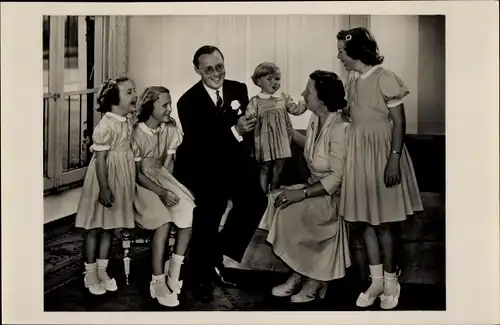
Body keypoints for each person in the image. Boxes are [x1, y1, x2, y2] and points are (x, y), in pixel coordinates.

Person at [336, 27, 424, 310]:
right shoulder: (352, 79)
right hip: (360, 155)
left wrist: (394, 159)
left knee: (384, 224)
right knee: (365, 221)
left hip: (384, 154)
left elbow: (399, 122)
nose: (339, 57)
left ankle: (390, 279)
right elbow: (355, 112)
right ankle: (375, 280)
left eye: (341, 52)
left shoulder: (385, 78)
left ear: (355, 53)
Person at [173, 45, 268, 303]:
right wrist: (234, 131)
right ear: (197, 70)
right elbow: (201, 145)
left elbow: (244, 136)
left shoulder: (239, 89)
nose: (216, 73)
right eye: (209, 69)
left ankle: (213, 254)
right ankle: (202, 276)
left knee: (257, 199)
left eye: (220, 66)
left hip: (232, 164)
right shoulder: (187, 102)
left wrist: (244, 141)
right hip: (200, 166)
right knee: (210, 207)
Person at [259, 70, 351, 303]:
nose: (302, 94)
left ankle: (315, 277)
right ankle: (300, 272)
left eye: (308, 91)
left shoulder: (341, 127)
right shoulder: (314, 119)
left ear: (322, 98)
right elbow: (308, 146)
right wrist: (284, 130)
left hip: (335, 195)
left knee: (294, 207)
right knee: (276, 200)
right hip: (313, 188)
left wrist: (300, 193)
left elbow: (337, 178)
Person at [132, 86, 195, 307]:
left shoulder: (168, 129)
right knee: (163, 220)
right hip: (141, 184)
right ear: (150, 107)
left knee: (188, 209)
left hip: (161, 177)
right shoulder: (136, 132)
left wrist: (171, 188)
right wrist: (161, 192)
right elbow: (138, 174)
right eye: (165, 104)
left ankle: (174, 268)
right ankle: (157, 281)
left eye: (170, 103)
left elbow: (168, 164)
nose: (170, 108)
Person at [74, 77, 138, 295]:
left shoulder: (127, 120)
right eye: (129, 92)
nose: (134, 95)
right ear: (114, 99)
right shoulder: (105, 126)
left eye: (134, 91)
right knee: (94, 227)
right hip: (104, 179)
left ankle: (102, 270)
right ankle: (89, 272)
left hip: (120, 179)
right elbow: (101, 161)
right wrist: (104, 188)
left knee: (109, 226)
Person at [246, 62, 307, 194]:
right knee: (265, 168)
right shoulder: (255, 101)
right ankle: (262, 197)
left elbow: (296, 110)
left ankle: (273, 193)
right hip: (264, 141)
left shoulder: (283, 98)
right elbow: (248, 118)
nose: (274, 82)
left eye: (277, 79)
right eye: (269, 79)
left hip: (281, 140)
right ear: (258, 81)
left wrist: (305, 102)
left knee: (279, 168)